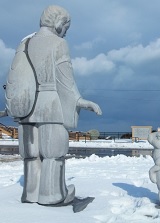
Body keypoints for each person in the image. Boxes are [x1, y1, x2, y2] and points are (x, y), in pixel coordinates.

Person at [15, 5, 101, 210]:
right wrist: (79, 100)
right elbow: (64, 79)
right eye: (66, 26)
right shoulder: (58, 44)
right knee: (53, 153)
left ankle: (31, 192)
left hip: (26, 107)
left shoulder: (24, 43)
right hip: (50, 105)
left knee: (32, 154)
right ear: (59, 23)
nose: (66, 31)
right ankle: (52, 194)